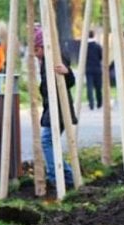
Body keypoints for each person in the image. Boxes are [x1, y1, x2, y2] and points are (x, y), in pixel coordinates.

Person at [34, 27, 77, 189]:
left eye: (37, 49)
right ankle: (65, 176)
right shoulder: (45, 61)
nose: (35, 54)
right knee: (50, 142)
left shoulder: (55, 58)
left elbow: (70, 82)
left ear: (44, 47)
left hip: (59, 109)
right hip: (52, 109)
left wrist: (67, 73)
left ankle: (60, 177)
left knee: (47, 141)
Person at [86, 30, 103, 110]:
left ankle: (91, 103)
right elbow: (101, 57)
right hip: (97, 68)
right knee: (98, 87)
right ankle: (99, 102)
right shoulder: (97, 46)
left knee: (89, 86)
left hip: (88, 68)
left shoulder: (85, 47)